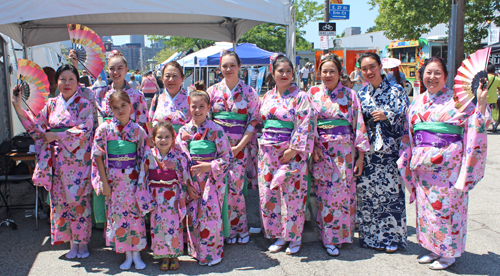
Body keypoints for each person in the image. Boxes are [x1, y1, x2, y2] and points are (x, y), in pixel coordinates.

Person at [398, 57, 491, 270]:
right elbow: (410, 132)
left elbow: (478, 123)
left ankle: (449, 253)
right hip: (423, 166)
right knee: (427, 209)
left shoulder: (459, 99)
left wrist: (481, 102)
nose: (432, 77)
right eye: (428, 73)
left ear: (446, 76)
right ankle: (434, 248)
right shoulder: (417, 101)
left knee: (448, 208)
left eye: (437, 73)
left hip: (449, 166)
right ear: (422, 75)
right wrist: (408, 158)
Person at [11, 64, 94, 259]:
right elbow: (37, 128)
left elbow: (86, 129)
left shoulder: (84, 104)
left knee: (79, 201)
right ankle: (71, 243)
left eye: (71, 79)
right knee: (60, 203)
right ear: (56, 82)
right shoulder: (51, 104)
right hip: (57, 161)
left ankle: (83, 244)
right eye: (62, 79)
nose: (66, 83)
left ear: (77, 82)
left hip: (78, 162)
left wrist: (58, 136)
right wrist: (17, 105)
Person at [308, 54, 370, 256]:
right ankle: (329, 237)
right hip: (321, 150)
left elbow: (358, 124)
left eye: (332, 71)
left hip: (345, 151)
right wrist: (314, 145)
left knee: (344, 194)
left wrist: (360, 156)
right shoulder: (313, 93)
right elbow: (307, 123)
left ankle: (342, 234)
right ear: (319, 73)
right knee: (326, 195)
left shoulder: (350, 95)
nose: (328, 75)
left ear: (340, 73)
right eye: (324, 71)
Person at [259, 54, 315, 255]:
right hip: (267, 153)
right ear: (273, 73)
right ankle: (278, 235)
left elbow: (306, 125)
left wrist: (293, 150)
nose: (284, 74)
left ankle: (295, 236)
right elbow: (261, 122)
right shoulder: (267, 96)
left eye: (288, 71)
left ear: (294, 74)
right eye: (280, 71)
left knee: (292, 195)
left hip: (291, 152)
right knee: (270, 194)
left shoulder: (301, 97)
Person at [92, 90, 152, 270]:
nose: (120, 110)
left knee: (136, 216)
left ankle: (137, 253)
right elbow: (98, 156)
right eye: (115, 107)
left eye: (123, 106)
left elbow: (145, 155)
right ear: (110, 109)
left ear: (131, 107)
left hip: (134, 179)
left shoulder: (137, 130)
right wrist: (103, 181)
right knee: (119, 217)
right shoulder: (104, 129)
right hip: (114, 180)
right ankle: (127, 254)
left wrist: (142, 181)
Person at [356, 52, 410, 253]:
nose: (369, 72)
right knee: (368, 195)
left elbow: (406, 118)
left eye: (372, 67)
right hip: (368, 154)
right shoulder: (361, 94)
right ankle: (370, 237)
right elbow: (357, 122)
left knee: (390, 195)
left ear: (380, 66)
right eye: (364, 68)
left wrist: (387, 115)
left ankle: (391, 239)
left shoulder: (396, 91)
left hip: (389, 153)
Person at [206, 50, 260, 245]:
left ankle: (241, 228)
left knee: (236, 188)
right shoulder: (212, 92)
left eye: (232, 65)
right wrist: (218, 145)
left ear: (239, 67)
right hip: (217, 147)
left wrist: (238, 147)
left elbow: (253, 122)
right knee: (218, 187)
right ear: (220, 68)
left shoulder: (249, 92)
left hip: (239, 146)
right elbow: (207, 120)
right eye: (225, 66)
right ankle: (223, 229)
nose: (228, 69)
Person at [176, 90, 232, 266]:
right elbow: (179, 159)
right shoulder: (184, 130)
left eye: (202, 106)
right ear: (188, 107)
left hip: (212, 180)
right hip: (192, 179)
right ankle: (197, 251)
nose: (198, 110)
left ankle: (212, 253)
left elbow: (227, 157)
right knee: (193, 216)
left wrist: (211, 166)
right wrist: (186, 183)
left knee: (210, 215)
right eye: (194, 106)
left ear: (209, 107)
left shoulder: (216, 129)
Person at [146, 121, 191, 271]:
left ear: (173, 139)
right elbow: (143, 176)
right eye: (159, 137)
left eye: (167, 137)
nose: (163, 140)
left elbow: (185, 177)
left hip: (173, 197)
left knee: (174, 225)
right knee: (158, 225)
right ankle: (163, 256)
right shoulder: (149, 156)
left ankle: (174, 255)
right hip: (156, 196)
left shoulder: (179, 157)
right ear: (153, 139)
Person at [70, 49, 148, 130]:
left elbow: (143, 124)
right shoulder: (101, 92)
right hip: (106, 138)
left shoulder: (137, 95)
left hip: (130, 139)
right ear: (108, 70)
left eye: (119, 68)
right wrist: (75, 65)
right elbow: (78, 89)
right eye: (112, 69)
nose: (115, 72)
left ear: (126, 70)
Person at [149, 61, 191, 132]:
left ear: (182, 78)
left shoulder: (191, 99)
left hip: (184, 141)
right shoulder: (157, 99)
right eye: (167, 76)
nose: (171, 79)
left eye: (175, 76)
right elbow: (149, 122)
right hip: (162, 141)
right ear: (162, 78)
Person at [486, 64, 500, 131]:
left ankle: (492, 122)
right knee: (490, 111)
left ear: (486, 70)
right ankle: (492, 122)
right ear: (494, 71)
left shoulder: (484, 78)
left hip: (484, 97)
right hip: (493, 98)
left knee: (484, 112)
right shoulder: (497, 79)